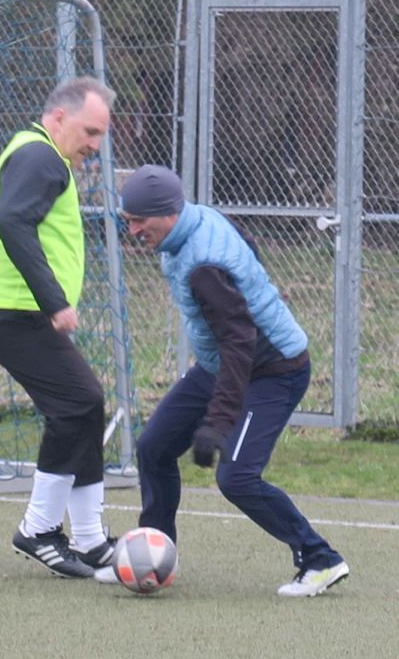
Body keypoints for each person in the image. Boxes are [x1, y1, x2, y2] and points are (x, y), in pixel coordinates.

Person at [107, 164, 348, 596]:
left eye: (140, 221)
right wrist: (258, 287)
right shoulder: (194, 220)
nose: (134, 230)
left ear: (169, 213)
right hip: (223, 362)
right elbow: (247, 248)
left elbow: (241, 345)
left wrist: (217, 423)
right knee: (154, 448)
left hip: (273, 371)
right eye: (128, 220)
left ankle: (320, 559)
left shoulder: (204, 266)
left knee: (237, 477)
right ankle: (153, 553)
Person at [0, 76, 116, 578]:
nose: (95, 145)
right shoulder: (41, 156)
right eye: (90, 132)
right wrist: (53, 302)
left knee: (85, 408)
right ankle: (39, 529)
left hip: (3, 309)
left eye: (100, 134)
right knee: (79, 401)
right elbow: (10, 221)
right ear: (59, 118)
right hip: (15, 311)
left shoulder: (34, 154)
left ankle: (90, 540)